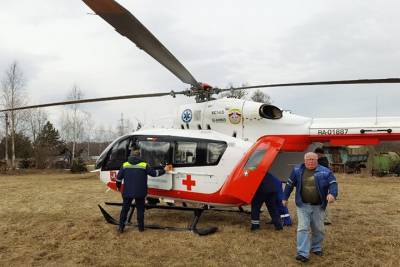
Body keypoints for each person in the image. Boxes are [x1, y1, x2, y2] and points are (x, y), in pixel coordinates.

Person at [282, 152, 338, 262]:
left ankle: (316, 247)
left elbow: (333, 183)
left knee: (318, 229)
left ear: (317, 160)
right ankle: (302, 253)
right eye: (308, 159)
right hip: (302, 205)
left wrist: (332, 194)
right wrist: (285, 197)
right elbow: (289, 184)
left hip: (318, 206)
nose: (311, 161)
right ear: (305, 160)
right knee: (303, 228)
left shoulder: (325, 171)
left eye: (313, 159)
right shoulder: (297, 170)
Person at [116, 148, 169, 233]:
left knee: (125, 210)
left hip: (127, 192)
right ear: (140, 156)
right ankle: (141, 228)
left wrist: (118, 187)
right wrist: (164, 170)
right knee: (140, 210)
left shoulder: (125, 165)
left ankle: (121, 228)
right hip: (140, 192)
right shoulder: (144, 165)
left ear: (131, 155)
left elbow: (118, 179)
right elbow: (154, 174)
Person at [314, 147, 332, 225]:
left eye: (316, 154)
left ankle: (326, 219)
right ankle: (322, 218)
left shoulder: (322, 162)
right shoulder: (322, 160)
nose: (316, 155)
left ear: (320, 154)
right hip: (321, 183)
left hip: (323, 184)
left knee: (323, 201)